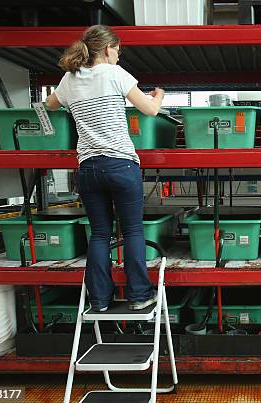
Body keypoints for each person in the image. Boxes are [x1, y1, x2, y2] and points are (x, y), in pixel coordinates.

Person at [46, 25, 163, 311]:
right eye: (118, 51)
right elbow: (150, 109)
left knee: (99, 233)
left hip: (88, 168)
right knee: (133, 230)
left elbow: (49, 104)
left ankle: (99, 300)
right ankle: (139, 296)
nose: (119, 56)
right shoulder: (115, 74)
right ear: (108, 49)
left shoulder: (70, 78)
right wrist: (158, 94)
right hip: (120, 163)